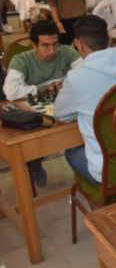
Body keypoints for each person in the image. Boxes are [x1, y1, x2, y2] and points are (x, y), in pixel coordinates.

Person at [55, 15, 116, 183]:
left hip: (106, 170)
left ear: (78, 44)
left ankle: (99, 193)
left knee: (71, 151)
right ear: (109, 38)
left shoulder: (76, 78)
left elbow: (60, 114)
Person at [3, 20, 81, 186]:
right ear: (34, 45)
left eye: (55, 44)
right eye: (45, 45)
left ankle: (80, 160)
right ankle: (34, 163)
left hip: (63, 106)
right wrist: (42, 88)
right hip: (35, 111)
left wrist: (64, 83)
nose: (52, 50)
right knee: (33, 133)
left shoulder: (67, 51)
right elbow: (10, 92)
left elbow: (84, 74)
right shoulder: (21, 60)